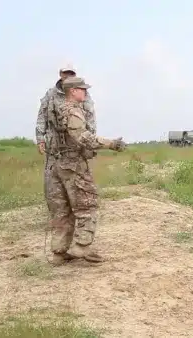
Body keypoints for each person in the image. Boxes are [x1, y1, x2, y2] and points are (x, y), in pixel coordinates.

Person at [46, 77, 126, 265]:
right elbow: (82, 137)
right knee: (86, 205)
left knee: (62, 210)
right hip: (73, 165)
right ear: (72, 91)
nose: (85, 92)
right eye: (82, 89)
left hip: (57, 164)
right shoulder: (72, 111)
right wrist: (111, 143)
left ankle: (59, 252)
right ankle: (82, 246)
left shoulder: (55, 110)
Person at [36, 64, 97, 213]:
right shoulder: (51, 94)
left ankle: (79, 213)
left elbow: (91, 119)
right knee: (54, 189)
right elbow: (42, 116)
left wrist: (91, 143)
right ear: (60, 74)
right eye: (66, 73)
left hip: (75, 149)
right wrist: (40, 138)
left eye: (71, 73)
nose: (68, 75)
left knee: (79, 186)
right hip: (55, 150)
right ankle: (59, 216)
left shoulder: (83, 94)